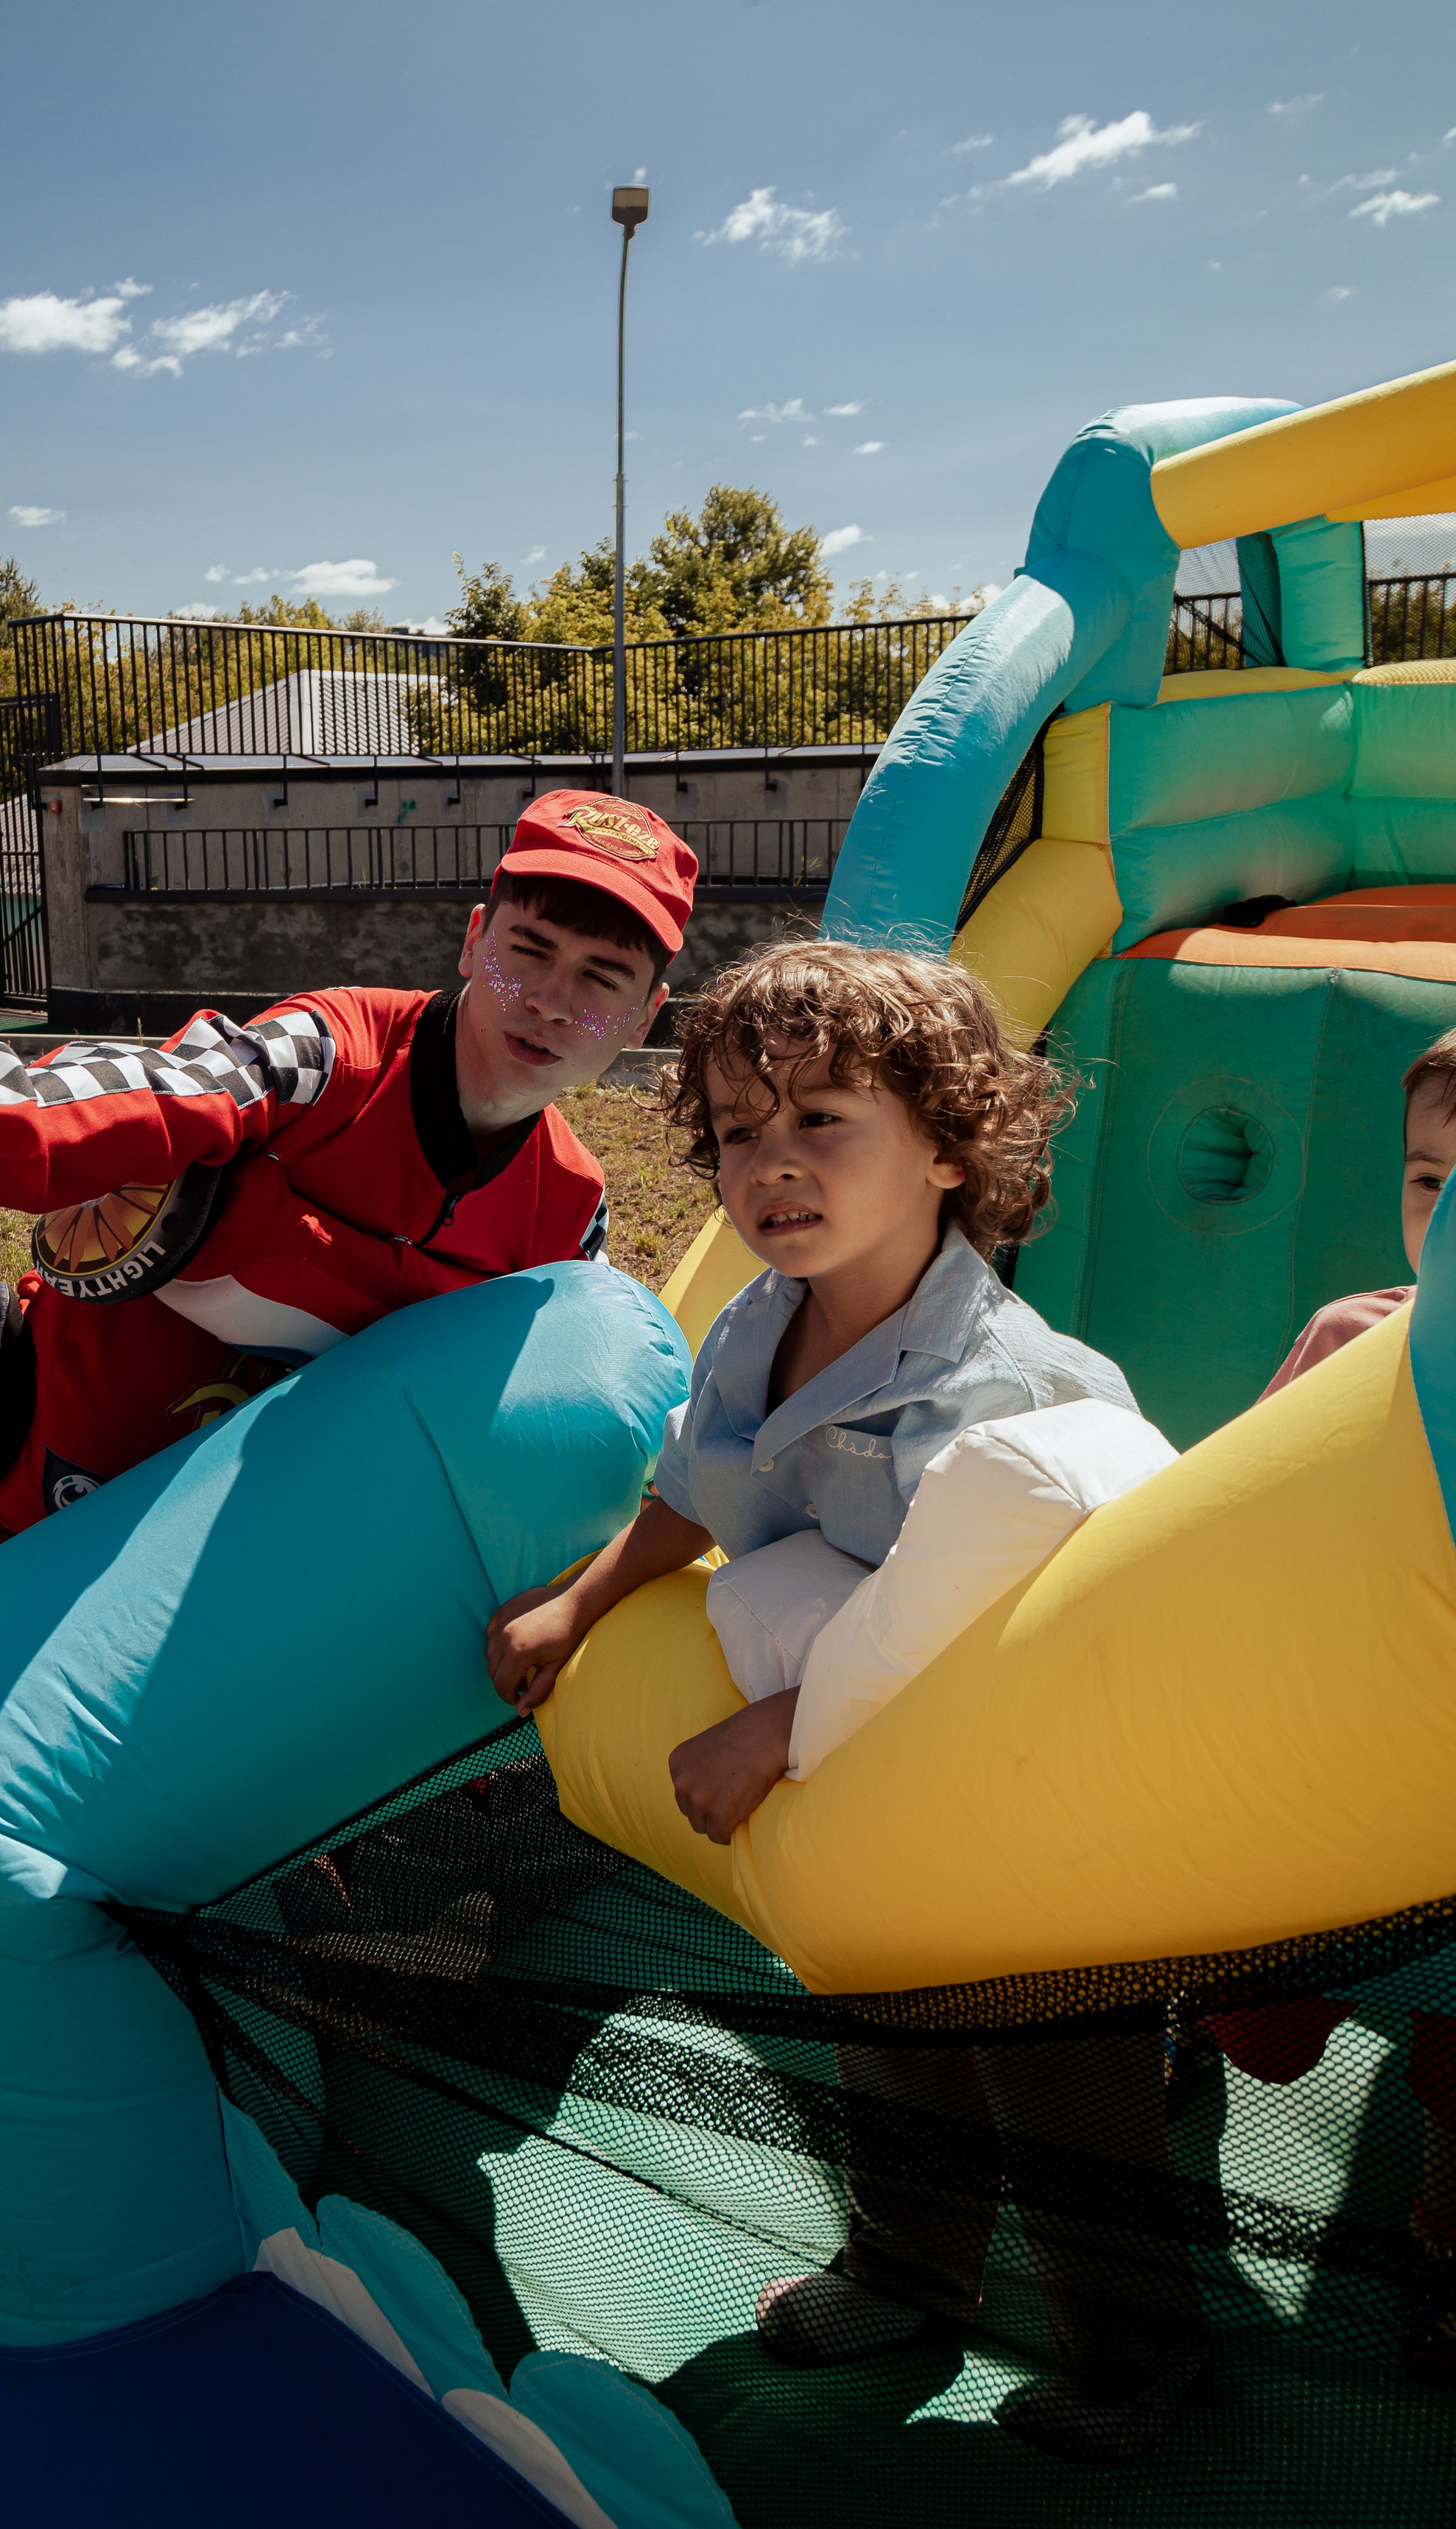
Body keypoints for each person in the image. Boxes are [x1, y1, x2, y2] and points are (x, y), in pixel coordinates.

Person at [486, 937, 1208, 2461]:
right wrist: (585, 1596)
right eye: (742, 1131)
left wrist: (781, 1725)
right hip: (880, 1789)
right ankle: (902, 2268)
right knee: (877, 2014)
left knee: (1054, 2079)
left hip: (1034, 1806)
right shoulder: (759, 1315)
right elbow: (696, 1485)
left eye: (823, 1121)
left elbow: (1021, 1640)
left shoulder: (1013, 1395)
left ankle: (1140, 2367)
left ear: (947, 1151)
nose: (772, 1167)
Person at [0, 790, 694, 1558]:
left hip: (263, 1551)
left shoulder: (573, 1209)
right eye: (530, 949)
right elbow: (162, 1081)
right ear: (472, 940)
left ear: (645, 1019)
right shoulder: (332, 1050)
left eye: (602, 979)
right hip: (63, 1487)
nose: (551, 1001)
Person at [1191, 1027, 1456, 2385]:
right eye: (1426, 1182)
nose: (1446, 1216)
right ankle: (1186, 2027)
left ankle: (1449, 2239)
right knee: (1264, 2011)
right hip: (1328, 1760)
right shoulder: (1357, 1339)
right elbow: (1232, 1510)